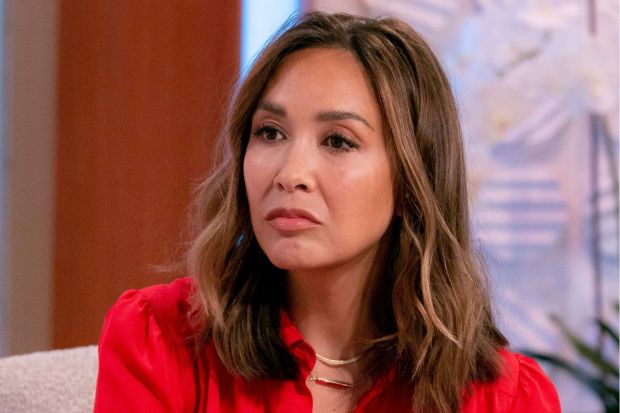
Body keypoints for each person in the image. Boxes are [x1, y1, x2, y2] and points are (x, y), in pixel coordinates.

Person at [94, 11, 561, 413]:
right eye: (270, 133)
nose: (290, 173)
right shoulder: (160, 340)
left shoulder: (504, 396)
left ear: (411, 182)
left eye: (338, 141)